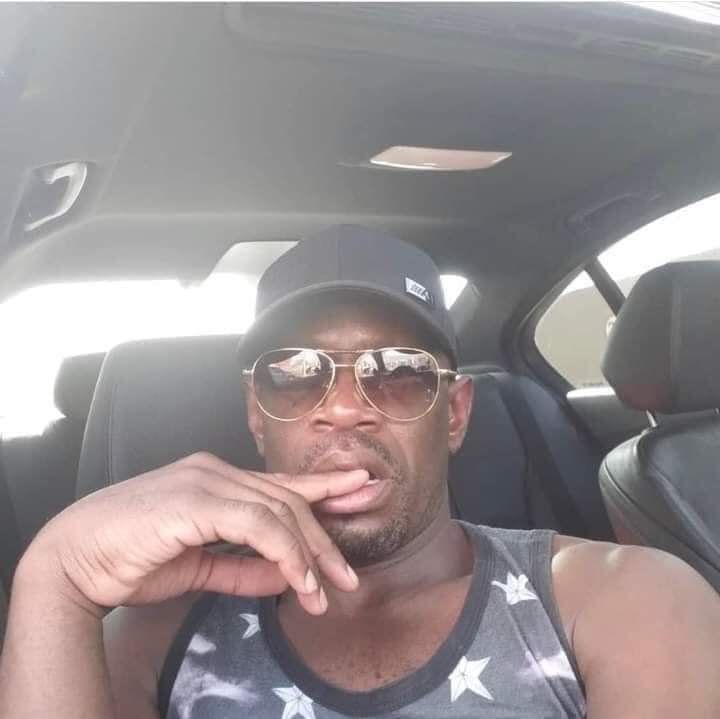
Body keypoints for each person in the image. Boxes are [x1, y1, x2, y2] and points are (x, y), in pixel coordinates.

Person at [0, 225, 719, 719]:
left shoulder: (618, 598)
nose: (344, 408)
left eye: (398, 371)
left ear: (454, 412)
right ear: (257, 414)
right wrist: (56, 578)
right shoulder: (156, 632)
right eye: (294, 374)